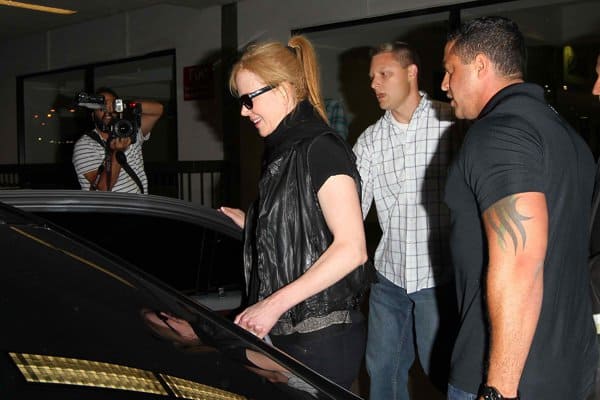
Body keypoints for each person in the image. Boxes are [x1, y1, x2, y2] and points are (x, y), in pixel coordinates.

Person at [441, 16, 598, 400]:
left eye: (449, 71)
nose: (444, 85)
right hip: (570, 369)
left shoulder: (498, 134)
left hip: (509, 376)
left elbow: (519, 265)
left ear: (480, 66)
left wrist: (499, 390)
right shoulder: (566, 135)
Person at [219, 35, 373, 390]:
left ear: (284, 89)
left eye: (248, 99)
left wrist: (271, 306)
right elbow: (304, 227)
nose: (243, 111)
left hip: (320, 336)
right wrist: (254, 225)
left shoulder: (321, 148)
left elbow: (352, 248)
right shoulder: (285, 149)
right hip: (292, 332)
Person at [352, 41, 462, 400]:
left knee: (445, 371)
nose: (374, 84)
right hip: (389, 278)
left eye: (384, 74)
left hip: (439, 275)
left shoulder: (450, 122)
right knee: (382, 371)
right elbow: (352, 208)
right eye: (372, 77)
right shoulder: (370, 141)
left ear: (411, 73)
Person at [72, 87, 163, 193]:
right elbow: (103, 188)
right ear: (93, 116)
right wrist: (117, 152)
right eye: (101, 107)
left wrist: (123, 105)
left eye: (112, 105)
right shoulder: (85, 145)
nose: (107, 110)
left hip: (139, 208)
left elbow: (158, 109)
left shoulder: (130, 132)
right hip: (112, 209)